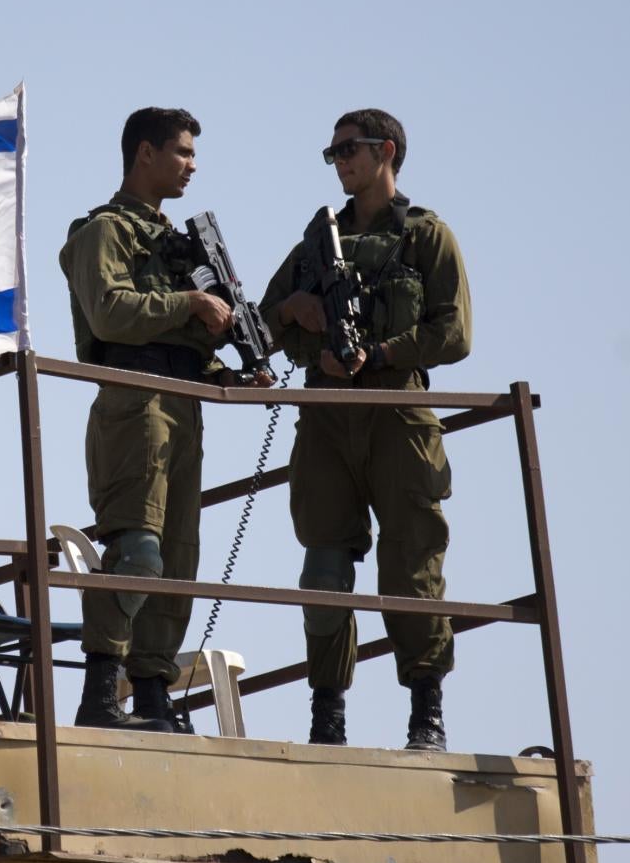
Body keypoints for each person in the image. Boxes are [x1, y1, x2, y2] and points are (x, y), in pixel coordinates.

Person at [257, 108, 472, 752]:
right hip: (326, 416)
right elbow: (265, 322)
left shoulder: (425, 236)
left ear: (387, 151)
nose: (339, 161)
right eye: (332, 153)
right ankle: (329, 715)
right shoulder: (318, 243)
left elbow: (453, 335)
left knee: (411, 563)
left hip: (396, 413)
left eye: (348, 149)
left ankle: (425, 712)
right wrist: (299, 321)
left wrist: (376, 355)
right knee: (323, 566)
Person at [58, 107, 243, 731]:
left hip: (183, 404)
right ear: (145, 153)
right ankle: (101, 694)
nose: (191, 165)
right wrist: (188, 300)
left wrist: (231, 372)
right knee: (137, 549)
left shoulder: (178, 242)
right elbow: (110, 315)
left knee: (177, 557)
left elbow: (182, 342)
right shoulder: (103, 232)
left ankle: (154, 692)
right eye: (182, 152)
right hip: (133, 402)